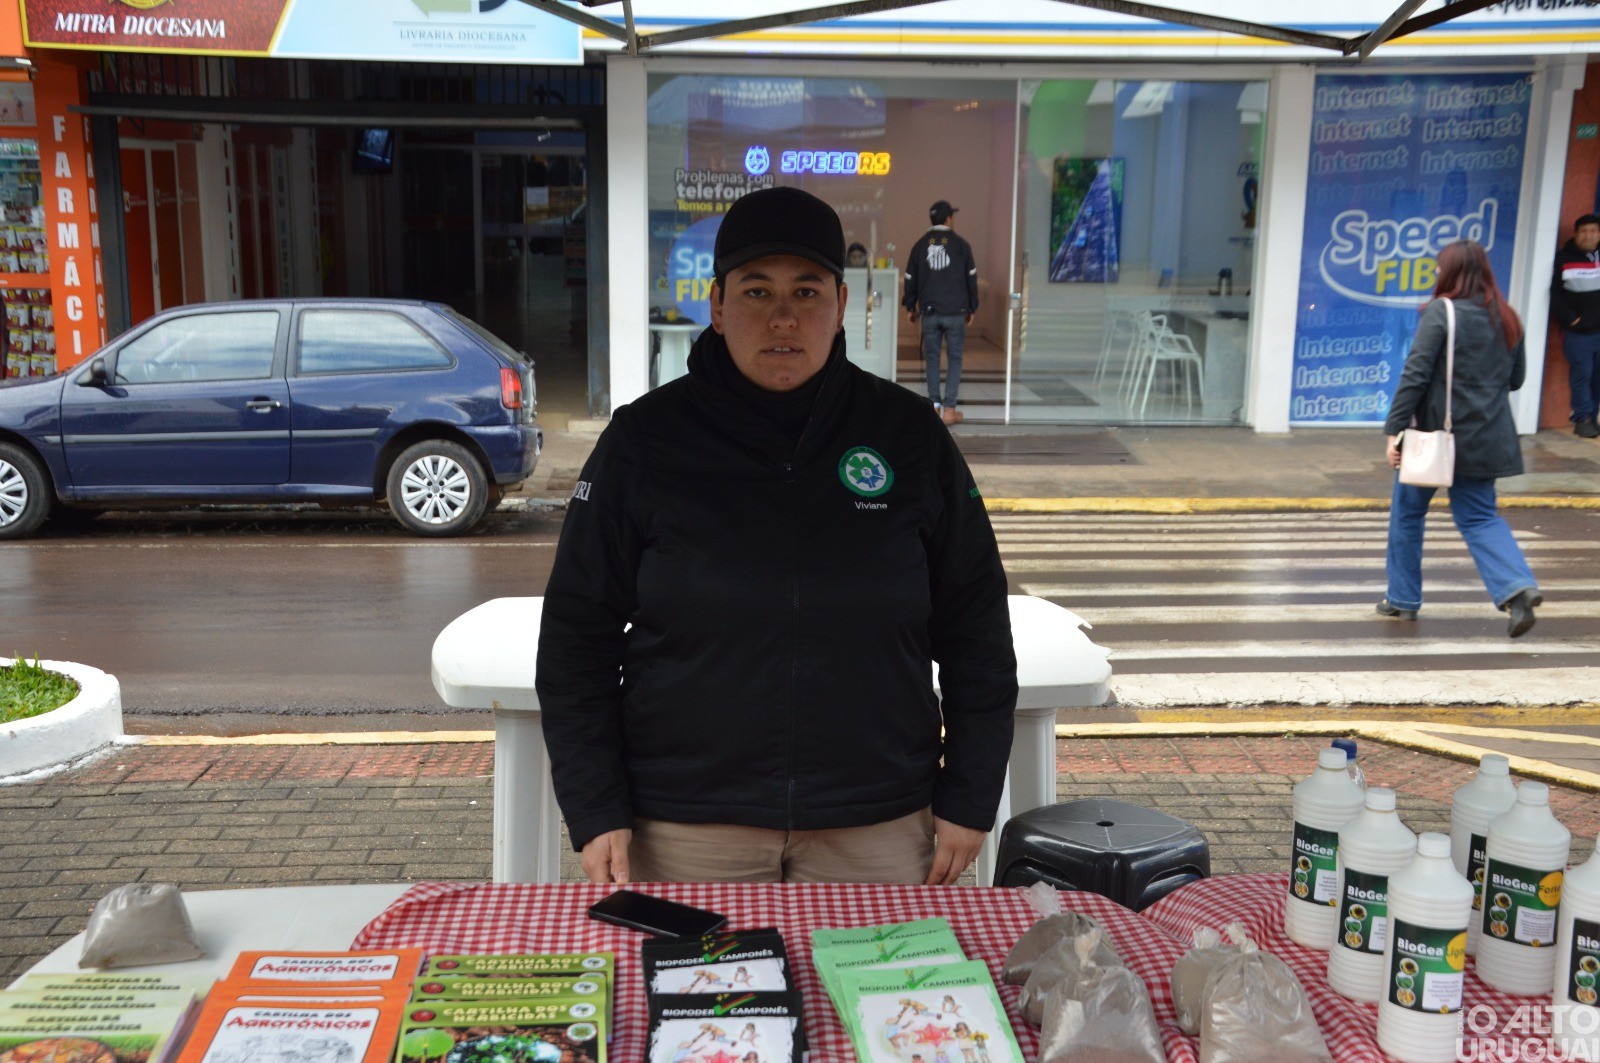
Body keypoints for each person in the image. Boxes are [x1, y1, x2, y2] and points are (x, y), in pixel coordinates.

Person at [536, 185, 1018, 886]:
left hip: (880, 826)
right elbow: (576, 635)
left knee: (893, 1002)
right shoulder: (644, 441)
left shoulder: (908, 437)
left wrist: (971, 795)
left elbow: (977, 625)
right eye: (757, 292)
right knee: (694, 999)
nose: (784, 318)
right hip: (684, 828)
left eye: (808, 291)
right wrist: (595, 801)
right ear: (719, 306)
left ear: (844, 305)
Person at [1380, 240, 1542, 638]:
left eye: (1439, 269)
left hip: (1436, 439)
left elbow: (1415, 376)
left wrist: (1394, 431)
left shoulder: (1442, 313)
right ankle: (1517, 589)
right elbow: (1516, 380)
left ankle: (1402, 599)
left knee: (1407, 513)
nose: (1436, 275)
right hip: (1488, 438)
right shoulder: (1508, 317)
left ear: (1451, 273)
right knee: (1480, 517)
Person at [904, 200, 979, 425]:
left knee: (932, 359)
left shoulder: (920, 245)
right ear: (949, 219)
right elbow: (971, 279)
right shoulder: (961, 245)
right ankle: (950, 410)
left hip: (929, 311)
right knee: (955, 359)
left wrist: (910, 306)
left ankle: (934, 408)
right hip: (956, 312)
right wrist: (972, 307)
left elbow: (910, 279)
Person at [1551, 213, 1600, 438]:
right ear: (1576, 234)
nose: (1588, 236)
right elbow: (1555, 294)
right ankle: (1582, 418)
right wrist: (1571, 318)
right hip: (1578, 333)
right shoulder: (1563, 258)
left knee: (1597, 376)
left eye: (1593, 231)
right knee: (1582, 374)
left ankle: (1593, 416)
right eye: (1584, 231)